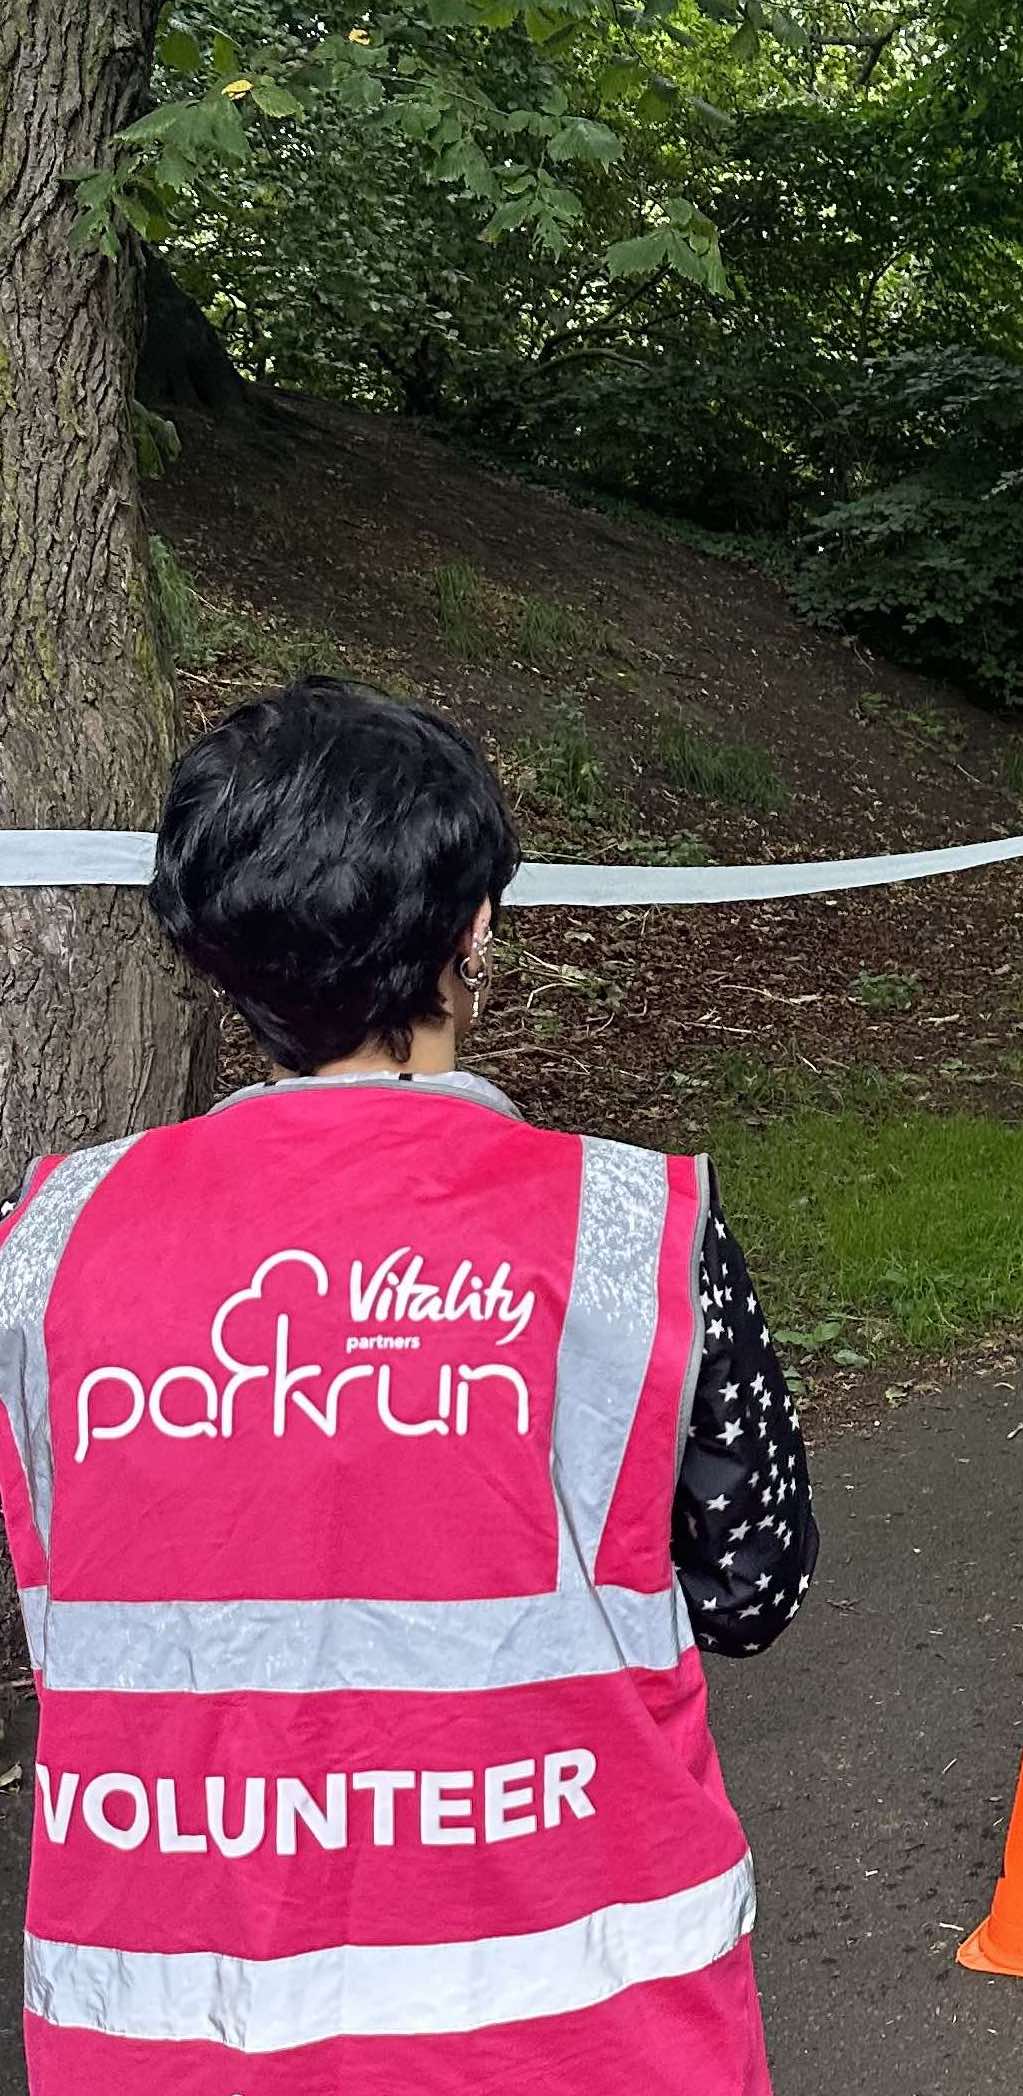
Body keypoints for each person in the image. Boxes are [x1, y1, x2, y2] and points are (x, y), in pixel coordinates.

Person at [0, 679, 816, 2091]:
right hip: (583, 2033)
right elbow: (752, 1583)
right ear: (473, 929)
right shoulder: (631, 1231)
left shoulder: (48, 1242)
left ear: (218, 953)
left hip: (171, 2042)